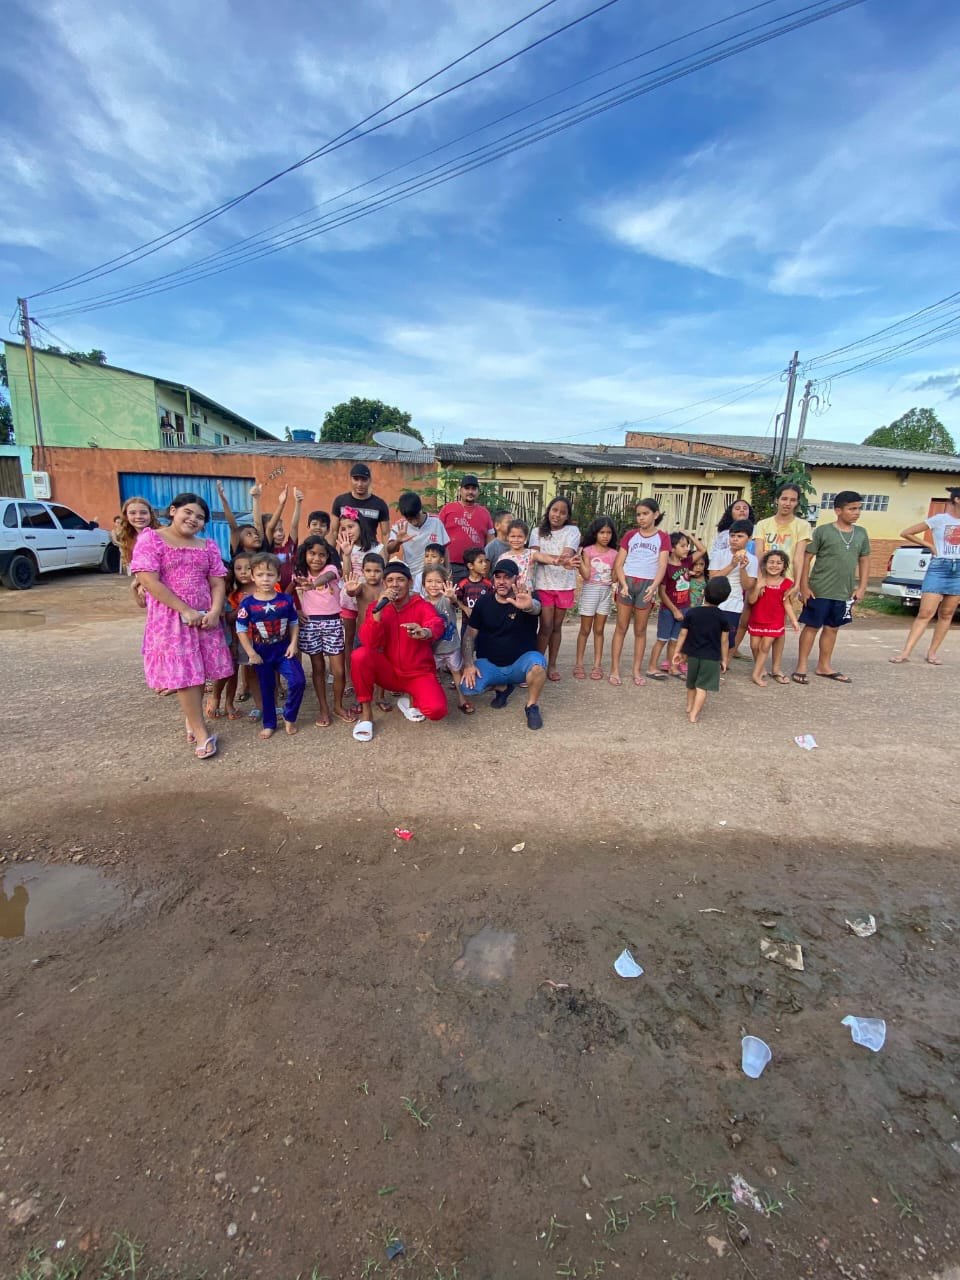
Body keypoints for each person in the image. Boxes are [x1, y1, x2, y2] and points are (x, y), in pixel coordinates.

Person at [131, 492, 234, 760]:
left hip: (204, 618)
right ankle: (201, 732)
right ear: (173, 510)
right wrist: (185, 610)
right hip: (171, 619)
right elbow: (149, 580)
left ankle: (192, 718)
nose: (193, 519)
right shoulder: (151, 539)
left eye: (200, 517)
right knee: (185, 675)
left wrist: (214, 610)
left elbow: (217, 582)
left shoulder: (208, 545)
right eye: (188, 512)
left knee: (200, 672)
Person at [350, 562, 447, 742]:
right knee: (359, 655)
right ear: (385, 584)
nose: (395, 584)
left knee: (437, 710)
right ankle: (366, 715)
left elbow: (436, 624)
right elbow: (369, 642)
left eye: (400, 580)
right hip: (389, 673)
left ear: (410, 583)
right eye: (390, 580)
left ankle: (411, 701)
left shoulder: (421, 605)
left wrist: (425, 632)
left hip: (417, 673)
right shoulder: (376, 606)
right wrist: (377, 612)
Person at [793, 491, 870, 685]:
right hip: (819, 589)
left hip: (844, 591)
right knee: (812, 627)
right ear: (838, 510)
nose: (856, 513)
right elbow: (807, 558)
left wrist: (861, 587)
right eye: (852, 509)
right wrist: (804, 586)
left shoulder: (861, 533)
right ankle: (801, 665)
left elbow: (864, 560)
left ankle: (824, 665)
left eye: (858, 509)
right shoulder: (822, 531)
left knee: (833, 628)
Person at [460, 560, 548, 729]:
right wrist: (469, 664)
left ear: (517, 579)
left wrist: (528, 606)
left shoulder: (527, 597)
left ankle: (531, 706)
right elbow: (470, 634)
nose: (501, 581)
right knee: (467, 687)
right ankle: (502, 687)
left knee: (537, 667)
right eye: (498, 577)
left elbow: (536, 608)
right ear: (493, 579)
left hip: (520, 665)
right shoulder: (484, 602)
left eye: (507, 577)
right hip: (491, 664)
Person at [235, 552, 306, 739]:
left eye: (269, 574)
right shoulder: (247, 604)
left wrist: (293, 644)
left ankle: (289, 716)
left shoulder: (286, 600)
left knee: (298, 680)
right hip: (261, 651)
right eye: (260, 575)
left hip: (283, 649)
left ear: (278, 576)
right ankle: (269, 723)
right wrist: (251, 653)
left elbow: (293, 623)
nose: (265, 579)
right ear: (252, 576)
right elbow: (240, 629)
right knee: (266, 687)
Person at [890, 486, 960, 666]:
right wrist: (929, 545)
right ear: (957, 500)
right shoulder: (940, 519)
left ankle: (933, 653)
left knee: (947, 613)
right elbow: (906, 532)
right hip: (939, 567)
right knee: (926, 612)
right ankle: (905, 653)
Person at [609, 498, 670, 687]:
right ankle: (615, 669)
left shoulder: (663, 537)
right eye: (638, 514)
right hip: (627, 582)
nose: (641, 518)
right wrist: (622, 584)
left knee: (640, 630)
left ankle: (636, 670)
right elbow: (618, 563)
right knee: (621, 627)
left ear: (656, 514)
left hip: (647, 585)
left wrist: (654, 587)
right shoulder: (630, 535)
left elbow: (662, 564)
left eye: (645, 514)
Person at [294, 536, 354, 727]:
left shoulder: (331, 570)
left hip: (333, 623)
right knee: (318, 668)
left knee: (338, 670)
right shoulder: (300, 573)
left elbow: (327, 577)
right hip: (310, 624)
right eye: (312, 553)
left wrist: (313, 585)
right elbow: (287, 593)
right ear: (305, 554)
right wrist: (296, 609)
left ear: (328, 556)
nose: (317, 558)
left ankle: (338, 705)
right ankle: (323, 708)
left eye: (322, 554)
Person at [530, 497, 581, 682]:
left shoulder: (573, 531)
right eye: (554, 510)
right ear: (548, 510)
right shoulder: (537, 531)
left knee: (557, 627)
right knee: (545, 626)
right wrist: (558, 560)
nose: (557, 515)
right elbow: (535, 555)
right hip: (543, 584)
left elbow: (568, 553)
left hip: (565, 585)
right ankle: (537, 663)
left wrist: (564, 558)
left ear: (567, 516)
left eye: (562, 512)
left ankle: (552, 664)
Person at [671, 577, 732, 723]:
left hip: (693, 655)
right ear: (725, 598)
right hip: (711, 657)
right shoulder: (723, 617)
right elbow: (724, 641)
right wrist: (724, 659)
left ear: (704, 592)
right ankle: (694, 714)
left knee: (691, 684)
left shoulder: (692, 612)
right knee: (702, 687)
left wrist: (677, 651)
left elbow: (683, 633)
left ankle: (689, 706)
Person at [646, 531, 705, 680]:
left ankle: (673, 667)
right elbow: (662, 593)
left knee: (675, 640)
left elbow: (703, 550)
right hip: (668, 610)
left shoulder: (686, 562)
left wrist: (690, 536)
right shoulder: (666, 568)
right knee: (662, 640)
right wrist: (674, 610)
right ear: (672, 548)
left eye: (687, 545)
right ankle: (652, 667)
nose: (686, 548)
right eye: (683, 545)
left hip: (684, 608)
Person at [421, 565, 473, 713]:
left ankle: (462, 699)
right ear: (423, 584)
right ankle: (434, 699)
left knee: (457, 672)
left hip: (451, 647)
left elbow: (453, 600)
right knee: (431, 675)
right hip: (431, 649)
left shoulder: (446, 599)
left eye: (438, 581)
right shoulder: (421, 603)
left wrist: (452, 596)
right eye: (429, 581)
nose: (433, 585)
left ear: (445, 583)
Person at [747, 550, 799, 686]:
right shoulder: (760, 581)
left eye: (779, 563)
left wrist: (794, 620)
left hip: (774, 621)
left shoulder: (787, 583)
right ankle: (761, 668)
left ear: (784, 566)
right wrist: (758, 587)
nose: (774, 565)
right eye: (771, 562)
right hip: (757, 619)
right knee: (754, 646)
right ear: (765, 564)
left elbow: (786, 603)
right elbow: (751, 601)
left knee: (764, 647)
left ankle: (756, 674)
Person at [574, 516, 618, 680]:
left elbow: (614, 578)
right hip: (590, 590)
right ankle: (579, 664)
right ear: (595, 533)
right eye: (602, 532)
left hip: (605, 592)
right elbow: (585, 575)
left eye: (608, 533)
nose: (605, 536)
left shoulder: (615, 553)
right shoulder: (588, 551)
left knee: (599, 631)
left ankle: (597, 665)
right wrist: (580, 559)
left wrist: (620, 564)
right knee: (585, 630)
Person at [708, 519, 758, 655]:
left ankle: (723, 664)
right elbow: (713, 578)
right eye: (732, 536)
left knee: (728, 638)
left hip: (733, 604)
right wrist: (732, 565)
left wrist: (742, 568)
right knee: (709, 635)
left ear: (749, 538)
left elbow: (747, 585)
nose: (735, 539)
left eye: (740, 536)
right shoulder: (719, 554)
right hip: (714, 602)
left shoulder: (752, 560)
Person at [438, 475, 495, 584]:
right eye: (467, 488)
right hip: (451, 566)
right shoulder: (448, 509)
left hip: (476, 567)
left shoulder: (484, 512)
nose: (470, 492)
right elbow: (437, 534)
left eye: (473, 489)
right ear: (460, 490)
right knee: (452, 597)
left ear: (478, 491)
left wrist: (486, 566)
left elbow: (490, 541)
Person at [387, 491, 449, 576]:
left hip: (434, 576)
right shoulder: (400, 526)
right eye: (410, 519)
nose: (414, 522)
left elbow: (444, 549)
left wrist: (448, 572)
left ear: (420, 509)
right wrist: (398, 541)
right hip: (411, 575)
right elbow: (389, 549)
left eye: (416, 517)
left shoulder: (436, 522)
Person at [330, 463, 390, 546]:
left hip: (371, 554)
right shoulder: (340, 501)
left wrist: (385, 557)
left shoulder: (379, 504)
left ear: (369, 480)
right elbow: (334, 531)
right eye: (356, 479)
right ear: (351, 479)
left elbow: (385, 534)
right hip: (347, 553)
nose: (360, 484)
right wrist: (331, 556)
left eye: (364, 480)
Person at [117, 495, 159, 608]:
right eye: (133, 513)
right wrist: (139, 583)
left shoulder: (162, 535)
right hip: (149, 589)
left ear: (151, 514)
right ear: (126, 516)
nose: (138, 516)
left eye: (143, 513)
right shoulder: (129, 539)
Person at [264, 486, 303, 590]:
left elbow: (294, 526)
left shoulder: (289, 547)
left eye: (281, 530)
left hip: (292, 593)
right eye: (274, 531)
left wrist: (298, 503)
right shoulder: (266, 552)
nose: (279, 533)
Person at [217, 480, 264, 556]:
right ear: (239, 540)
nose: (255, 536)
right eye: (249, 534)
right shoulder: (238, 553)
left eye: (256, 534)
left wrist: (256, 498)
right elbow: (233, 527)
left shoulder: (262, 553)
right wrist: (223, 500)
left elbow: (258, 524)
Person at [453, 547, 492, 622]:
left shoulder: (488, 584)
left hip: (485, 623)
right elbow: (456, 600)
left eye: (485, 561)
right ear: (470, 566)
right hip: (467, 623)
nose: (485, 564)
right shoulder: (462, 584)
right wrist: (465, 608)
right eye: (480, 562)